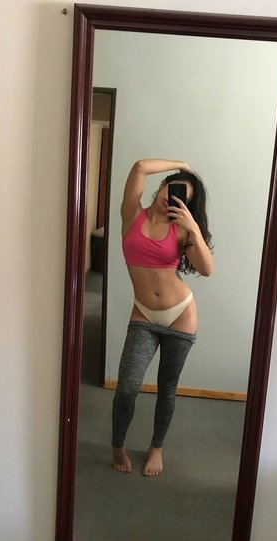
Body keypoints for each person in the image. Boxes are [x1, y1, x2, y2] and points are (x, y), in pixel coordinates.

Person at [111, 159, 213, 476]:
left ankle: (156, 447)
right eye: (173, 186)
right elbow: (140, 167)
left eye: (183, 196)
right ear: (164, 185)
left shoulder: (181, 229)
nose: (173, 195)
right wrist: (182, 165)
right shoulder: (132, 215)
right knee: (127, 386)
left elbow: (206, 269)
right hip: (144, 313)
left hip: (181, 314)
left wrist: (193, 227)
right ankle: (118, 444)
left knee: (167, 389)